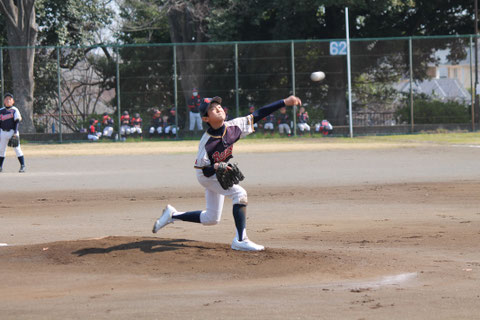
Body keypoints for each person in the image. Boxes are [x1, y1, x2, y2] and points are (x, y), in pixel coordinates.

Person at [152, 94, 302, 251]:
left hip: (217, 172)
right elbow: (204, 170)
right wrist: (216, 167)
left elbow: (259, 113)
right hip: (207, 175)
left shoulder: (234, 127)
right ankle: (240, 239)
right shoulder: (206, 143)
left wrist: (284, 102)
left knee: (211, 218)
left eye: (218, 105)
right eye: (211, 108)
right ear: (205, 119)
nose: (217, 107)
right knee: (240, 194)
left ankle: (172, 215)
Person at [0, 93, 26, 173]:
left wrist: (15, 133)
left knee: (17, 149)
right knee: (1, 150)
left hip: (12, 132)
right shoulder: (1, 110)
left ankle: (22, 166)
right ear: (4, 101)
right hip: (3, 132)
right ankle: (0, 167)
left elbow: (17, 122)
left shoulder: (15, 110)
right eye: (6, 99)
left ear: (13, 101)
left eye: (10, 99)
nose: (8, 100)